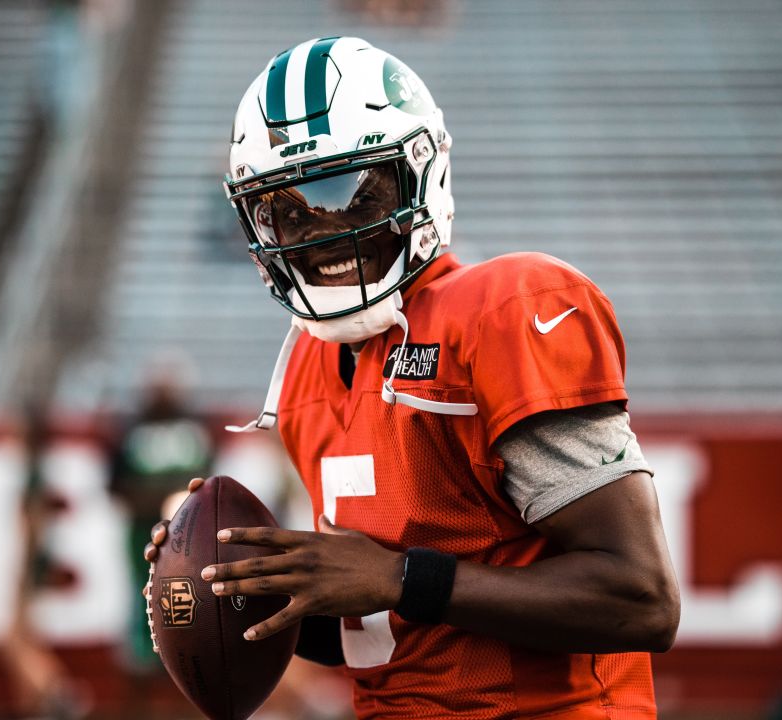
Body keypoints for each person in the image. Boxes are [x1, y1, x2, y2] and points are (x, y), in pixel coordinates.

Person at [143, 37, 680, 719]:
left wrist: (399, 577)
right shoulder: (309, 365)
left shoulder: (508, 310)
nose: (321, 232)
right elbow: (387, 628)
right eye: (286, 208)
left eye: (349, 193)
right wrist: (250, 589)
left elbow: (640, 599)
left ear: (421, 174)